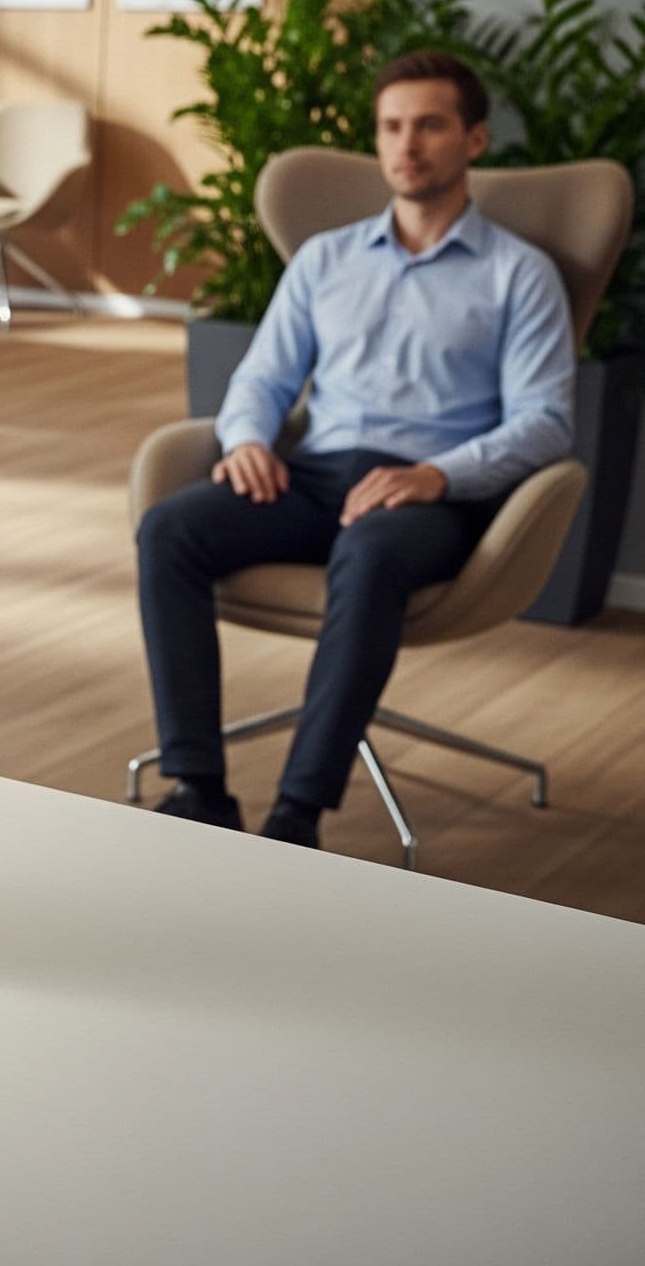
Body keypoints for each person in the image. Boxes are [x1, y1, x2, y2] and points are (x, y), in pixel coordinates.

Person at [134, 51, 576, 848]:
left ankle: (297, 817)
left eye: (430, 125)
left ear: (474, 140)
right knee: (170, 529)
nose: (408, 144)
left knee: (370, 554)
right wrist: (247, 439)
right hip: (311, 477)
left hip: (431, 494)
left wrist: (438, 475)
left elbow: (546, 421)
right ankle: (199, 788)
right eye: (392, 127)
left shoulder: (519, 275)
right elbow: (263, 376)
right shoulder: (326, 259)